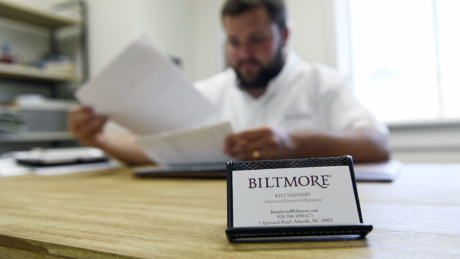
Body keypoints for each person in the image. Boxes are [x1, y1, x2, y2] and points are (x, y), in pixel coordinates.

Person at [68, 0, 390, 164]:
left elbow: (378, 145)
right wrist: (101, 139)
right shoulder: (209, 91)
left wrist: (296, 143)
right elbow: (160, 148)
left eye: (257, 39)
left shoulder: (322, 83)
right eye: (234, 42)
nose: (244, 53)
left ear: (285, 36)